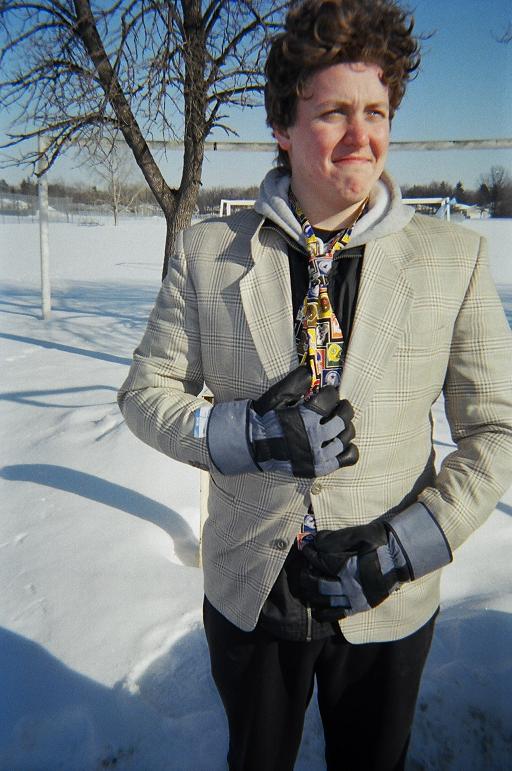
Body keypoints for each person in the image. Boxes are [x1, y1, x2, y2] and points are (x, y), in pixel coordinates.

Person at [117, 1, 512, 768]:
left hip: (387, 597)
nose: (362, 136)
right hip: (251, 587)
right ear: (282, 124)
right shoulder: (207, 252)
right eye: (334, 112)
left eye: (376, 112)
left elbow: (497, 430)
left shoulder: (454, 259)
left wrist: (405, 548)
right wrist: (246, 434)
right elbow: (145, 394)